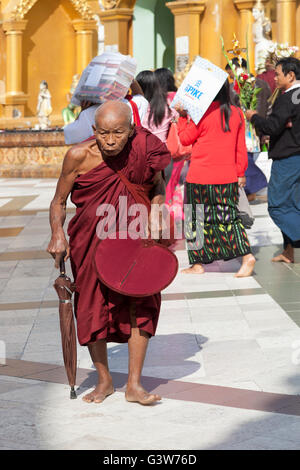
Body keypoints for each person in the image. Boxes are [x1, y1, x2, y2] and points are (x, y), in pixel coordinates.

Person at [47, 101, 171, 405]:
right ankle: (104, 381)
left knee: (141, 301)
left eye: (118, 133)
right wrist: (56, 233)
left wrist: (156, 210)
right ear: (93, 131)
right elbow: (58, 202)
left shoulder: (143, 149)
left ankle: (134, 385)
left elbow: (158, 184)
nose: (111, 140)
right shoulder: (78, 156)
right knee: (92, 304)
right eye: (104, 134)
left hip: (135, 236)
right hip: (92, 239)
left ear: (131, 130)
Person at [176, 80, 256, 277]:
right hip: (227, 176)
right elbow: (240, 147)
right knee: (229, 218)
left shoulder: (200, 112)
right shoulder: (236, 112)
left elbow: (185, 138)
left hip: (200, 175)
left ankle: (198, 263)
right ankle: (246, 257)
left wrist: (181, 117)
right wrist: (240, 172)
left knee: (195, 218)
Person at [246, 57, 300, 263]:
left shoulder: (288, 98)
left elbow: (272, 127)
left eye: (278, 74)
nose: (275, 78)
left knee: (277, 205)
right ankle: (288, 251)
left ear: (291, 75)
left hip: (288, 158)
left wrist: (253, 117)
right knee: (294, 204)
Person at [63, 80, 148, 145]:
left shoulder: (88, 113)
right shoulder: (135, 104)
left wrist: (82, 111)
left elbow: (72, 135)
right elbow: (140, 96)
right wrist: (129, 77)